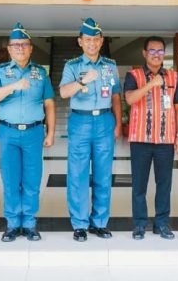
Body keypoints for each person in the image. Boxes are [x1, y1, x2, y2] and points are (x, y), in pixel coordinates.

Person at [0, 22, 56, 242]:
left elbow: (50, 104)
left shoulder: (41, 73)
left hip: (34, 133)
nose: (20, 48)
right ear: (9, 49)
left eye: (24, 45)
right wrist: (13, 86)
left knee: (32, 180)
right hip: (8, 132)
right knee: (11, 179)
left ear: (31, 48)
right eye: (16, 45)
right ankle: (13, 223)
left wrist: (51, 132)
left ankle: (30, 223)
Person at [59, 18, 121, 242]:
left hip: (105, 121)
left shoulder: (110, 65)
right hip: (80, 122)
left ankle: (100, 222)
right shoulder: (72, 66)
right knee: (78, 174)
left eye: (96, 39)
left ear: (101, 41)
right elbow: (64, 93)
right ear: (80, 42)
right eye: (87, 39)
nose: (92, 43)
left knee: (103, 174)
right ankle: (79, 224)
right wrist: (83, 81)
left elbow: (115, 96)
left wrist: (117, 124)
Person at [124, 36, 178, 240]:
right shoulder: (133, 75)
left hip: (165, 140)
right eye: (152, 51)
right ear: (144, 53)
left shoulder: (174, 77)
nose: (157, 54)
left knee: (164, 184)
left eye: (160, 51)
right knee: (139, 185)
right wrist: (151, 84)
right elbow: (131, 99)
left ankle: (162, 224)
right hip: (140, 139)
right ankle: (140, 224)